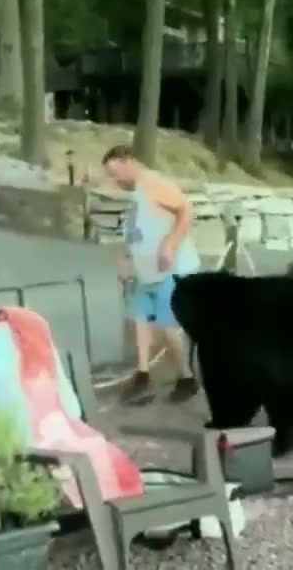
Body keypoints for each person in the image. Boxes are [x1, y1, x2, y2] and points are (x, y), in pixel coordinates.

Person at [102, 144, 200, 403]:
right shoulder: (135, 197)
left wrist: (169, 244)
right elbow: (136, 233)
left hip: (171, 269)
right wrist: (125, 258)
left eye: (115, 173)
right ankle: (142, 375)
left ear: (127, 162)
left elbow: (186, 211)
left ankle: (187, 378)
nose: (115, 181)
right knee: (141, 321)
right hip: (146, 273)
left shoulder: (154, 184)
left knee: (166, 327)